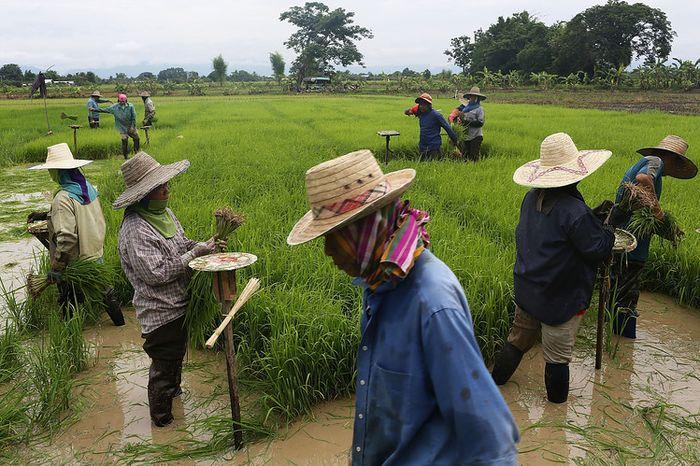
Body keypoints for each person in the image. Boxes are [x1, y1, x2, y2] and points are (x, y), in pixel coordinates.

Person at [287, 149, 519, 465]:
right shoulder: (379, 282)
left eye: (334, 236)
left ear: (366, 229)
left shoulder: (433, 304)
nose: (328, 251)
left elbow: (491, 439)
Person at [491, 133, 614, 403]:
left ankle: (494, 383)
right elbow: (597, 248)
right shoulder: (574, 211)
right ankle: (557, 413)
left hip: (529, 287)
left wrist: (592, 217)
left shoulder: (532, 198)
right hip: (559, 296)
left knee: (518, 339)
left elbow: (558, 232)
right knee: (557, 357)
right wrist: (608, 229)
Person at [114, 151, 222, 427]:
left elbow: (183, 244)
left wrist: (204, 247)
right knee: (163, 365)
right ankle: (162, 422)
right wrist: (193, 255)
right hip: (160, 311)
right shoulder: (136, 228)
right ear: (143, 194)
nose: (166, 189)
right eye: (158, 187)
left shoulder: (164, 213)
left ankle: (174, 394)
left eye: (165, 183)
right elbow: (156, 273)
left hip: (179, 305)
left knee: (174, 358)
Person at [608, 135, 697, 338]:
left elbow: (641, 211)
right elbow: (643, 179)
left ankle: (610, 337)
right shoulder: (655, 162)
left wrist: (669, 229)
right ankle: (624, 344)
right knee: (627, 300)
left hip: (622, 240)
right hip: (632, 247)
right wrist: (657, 209)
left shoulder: (644, 164)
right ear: (672, 158)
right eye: (677, 163)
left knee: (616, 292)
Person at [27, 143, 124, 325]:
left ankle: (70, 341)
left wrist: (57, 267)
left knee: (68, 303)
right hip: (95, 254)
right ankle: (121, 328)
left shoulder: (62, 198)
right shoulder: (86, 187)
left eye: (52, 170)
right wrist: (46, 215)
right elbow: (81, 214)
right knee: (106, 294)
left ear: (57, 171)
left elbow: (67, 238)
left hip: (76, 262)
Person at [404, 93, 460, 159]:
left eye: (424, 104)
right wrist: (407, 112)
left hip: (433, 148)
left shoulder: (436, 115)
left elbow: (448, 128)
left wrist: (455, 140)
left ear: (429, 105)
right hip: (422, 146)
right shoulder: (421, 113)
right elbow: (409, 111)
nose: (421, 106)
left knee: (434, 166)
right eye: (420, 104)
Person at [92, 93, 140, 159]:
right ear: (118, 100)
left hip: (130, 125)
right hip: (121, 127)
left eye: (123, 101)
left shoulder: (130, 106)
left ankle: (136, 153)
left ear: (126, 100)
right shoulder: (114, 107)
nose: (122, 102)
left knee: (136, 138)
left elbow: (134, 117)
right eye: (121, 101)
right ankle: (125, 156)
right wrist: (94, 109)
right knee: (124, 140)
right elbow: (105, 110)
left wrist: (132, 126)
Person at [449, 86, 486, 161]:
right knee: (466, 156)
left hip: (476, 136)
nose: (472, 98)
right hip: (466, 136)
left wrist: (466, 122)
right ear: (469, 97)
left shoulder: (479, 109)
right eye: (471, 96)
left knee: (474, 156)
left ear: (478, 98)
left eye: (475, 97)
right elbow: (459, 119)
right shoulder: (465, 108)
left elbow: (480, 123)